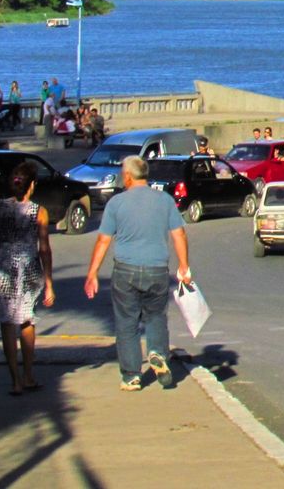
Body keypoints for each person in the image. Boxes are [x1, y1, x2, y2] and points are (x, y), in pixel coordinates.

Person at [84, 156, 191, 391]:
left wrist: (92, 273)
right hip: (157, 269)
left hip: (125, 270)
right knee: (156, 316)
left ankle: (132, 375)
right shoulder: (164, 200)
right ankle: (157, 352)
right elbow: (179, 235)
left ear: (128, 176)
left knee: (127, 323)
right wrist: (184, 266)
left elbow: (103, 240)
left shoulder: (116, 203)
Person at [0, 162, 55, 396]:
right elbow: (44, 248)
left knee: (7, 323)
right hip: (28, 268)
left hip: (2, 266)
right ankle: (29, 375)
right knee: (27, 320)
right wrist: (49, 282)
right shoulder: (39, 211)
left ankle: (15, 381)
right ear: (32, 186)